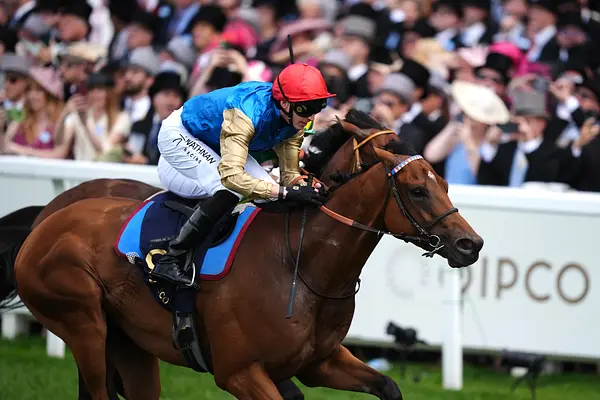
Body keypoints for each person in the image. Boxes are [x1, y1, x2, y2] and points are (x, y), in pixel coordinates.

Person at [150, 63, 333, 287]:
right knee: (230, 188)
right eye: (306, 108)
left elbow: (289, 176)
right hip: (180, 135)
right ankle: (171, 259)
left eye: (317, 107)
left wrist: (304, 186)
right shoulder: (247, 112)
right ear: (285, 103)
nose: (311, 117)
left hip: (216, 144)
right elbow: (232, 178)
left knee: (267, 191)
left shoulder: (294, 120)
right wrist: (287, 192)